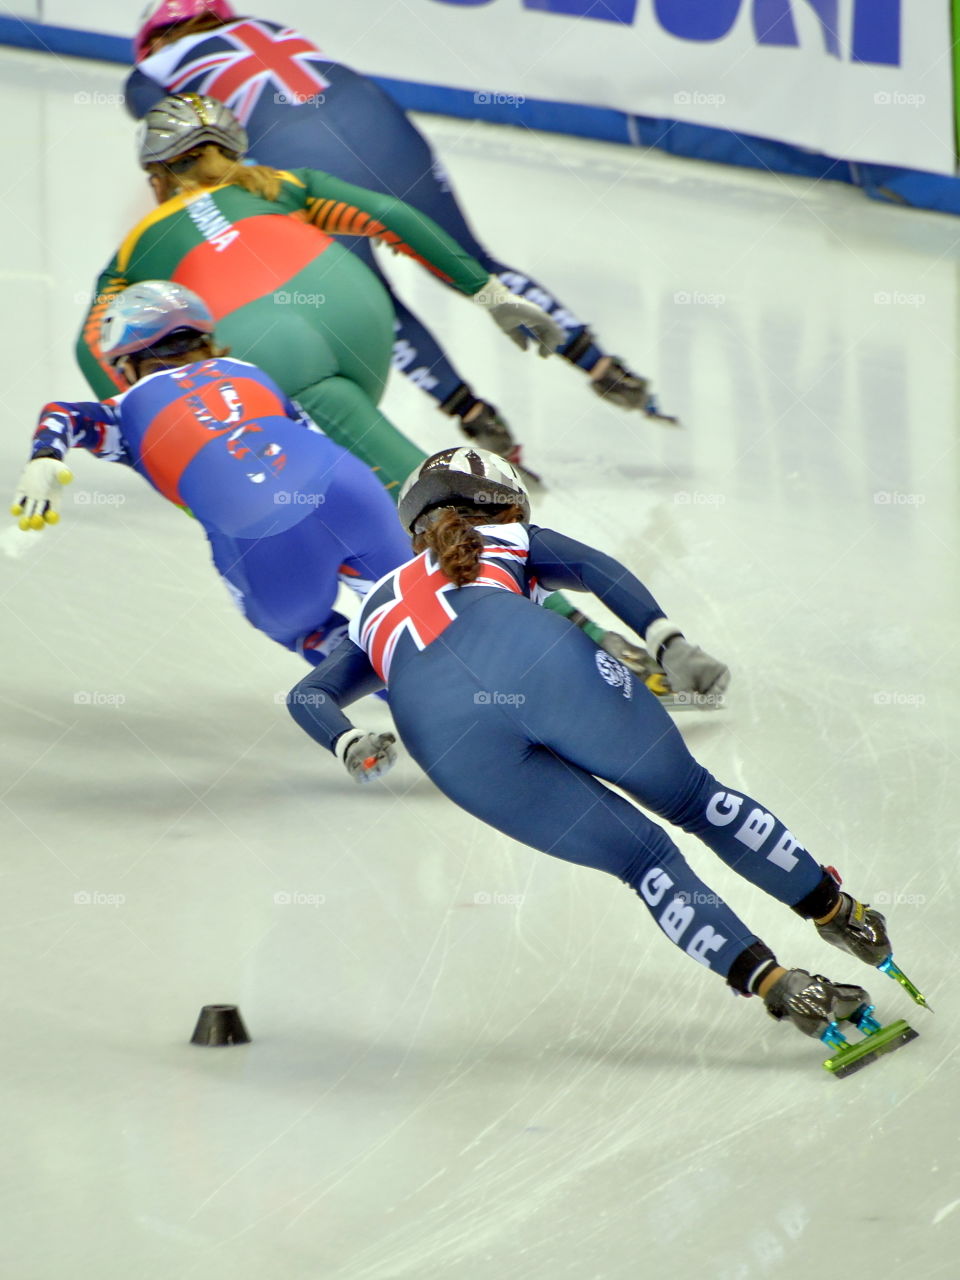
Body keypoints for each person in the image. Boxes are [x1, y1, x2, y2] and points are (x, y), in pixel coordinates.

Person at [286, 446, 904, 1048]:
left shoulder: (374, 607)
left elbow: (307, 695)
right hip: (536, 660)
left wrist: (347, 742)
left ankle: (784, 988)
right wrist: (669, 642)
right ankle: (839, 913)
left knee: (644, 864)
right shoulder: (511, 542)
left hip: (445, 740)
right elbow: (598, 570)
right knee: (692, 798)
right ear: (504, 507)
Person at [123, 1, 677, 465]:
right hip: (384, 129)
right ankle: (601, 364)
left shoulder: (148, 74)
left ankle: (473, 414)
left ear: (150, 43)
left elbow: (175, 147)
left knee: (369, 294)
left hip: (300, 158)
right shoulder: (268, 28)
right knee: (473, 261)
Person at [76, 92, 564, 498]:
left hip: (266, 349)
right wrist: (490, 295)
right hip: (358, 315)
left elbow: (92, 343)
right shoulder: (284, 185)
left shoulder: (137, 247)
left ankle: (505, 565)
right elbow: (390, 215)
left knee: (392, 497)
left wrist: (149, 439)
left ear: (157, 179)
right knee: (355, 452)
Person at [13, 281, 411, 663]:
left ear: (127, 367)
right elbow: (308, 431)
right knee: (416, 609)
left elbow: (63, 414)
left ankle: (404, 695)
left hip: (258, 524)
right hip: (351, 488)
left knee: (300, 629)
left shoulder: (123, 412)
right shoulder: (246, 370)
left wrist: (45, 455)